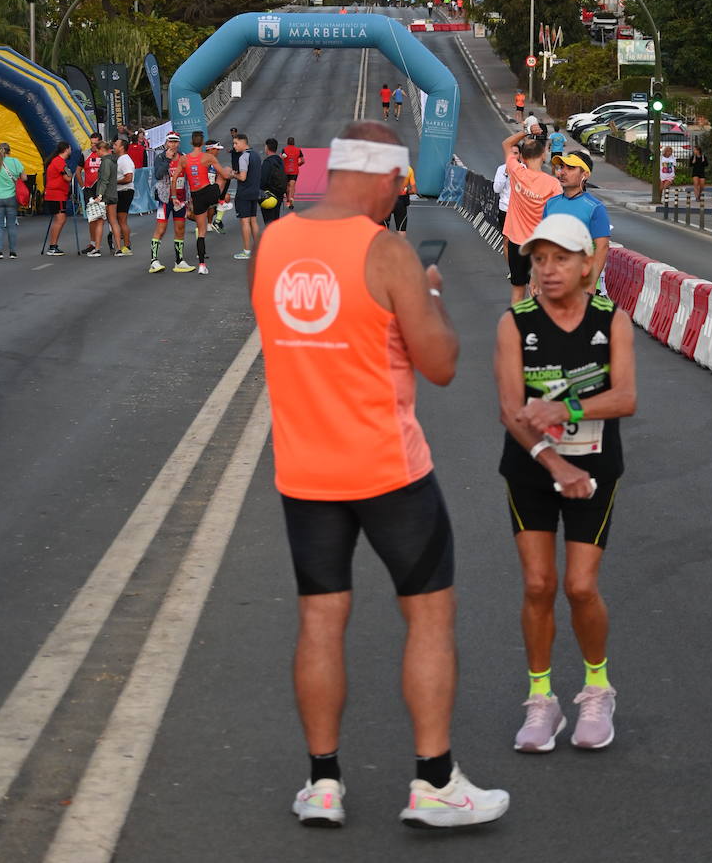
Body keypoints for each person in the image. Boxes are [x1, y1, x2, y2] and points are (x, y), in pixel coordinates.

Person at [248, 120, 509, 830]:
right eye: (400, 185)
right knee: (428, 614)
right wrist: (428, 295)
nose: (400, 197)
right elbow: (442, 364)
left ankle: (322, 784)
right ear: (385, 176)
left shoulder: (272, 244)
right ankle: (434, 782)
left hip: (305, 472)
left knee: (319, 620)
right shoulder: (386, 251)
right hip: (389, 469)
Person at [494, 213, 636, 754]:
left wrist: (565, 407)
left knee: (579, 586)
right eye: (539, 260)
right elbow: (511, 410)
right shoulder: (515, 323)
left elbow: (625, 397)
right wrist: (556, 464)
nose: (548, 270)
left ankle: (598, 689)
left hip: (595, 467)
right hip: (532, 466)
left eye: (560, 259)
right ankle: (541, 699)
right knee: (537, 584)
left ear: (585, 266)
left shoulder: (611, 320)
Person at [502, 131, 561, 305]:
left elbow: (506, 143)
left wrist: (526, 131)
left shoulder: (516, 171)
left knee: (517, 290)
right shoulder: (553, 184)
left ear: (523, 158)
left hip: (516, 243)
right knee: (537, 292)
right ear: (543, 156)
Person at [544, 152, 611, 293]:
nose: (563, 172)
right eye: (562, 167)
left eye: (571, 168)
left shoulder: (595, 207)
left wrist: (591, 283)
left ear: (584, 175)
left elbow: (602, 247)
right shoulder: (551, 204)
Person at [181, 131, 235, 274]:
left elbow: (179, 178)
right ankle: (220, 203)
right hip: (208, 193)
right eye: (217, 149)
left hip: (198, 195)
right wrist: (234, 175)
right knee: (227, 171)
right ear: (208, 147)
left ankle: (202, 265)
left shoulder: (187, 159)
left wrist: (177, 196)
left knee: (201, 231)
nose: (218, 151)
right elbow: (224, 175)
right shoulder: (208, 158)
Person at [149, 133, 194, 272]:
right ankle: (154, 261)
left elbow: (188, 177)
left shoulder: (183, 157)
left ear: (178, 143)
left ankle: (179, 261)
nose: (173, 145)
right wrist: (168, 160)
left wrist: (190, 197)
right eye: (170, 142)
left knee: (180, 229)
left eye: (175, 142)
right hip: (164, 198)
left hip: (180, 199)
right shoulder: (160, 157)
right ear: (166, 143)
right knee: (161, 229)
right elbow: (158, 175)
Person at [0, 142, 25, 259]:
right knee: (11, 225)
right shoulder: (15, 162)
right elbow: (24, 178)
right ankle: (12, 252)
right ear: (9, 151)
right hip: (11, 197)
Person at [229, 132, 262, 260]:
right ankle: (258, 250)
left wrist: (233, 174)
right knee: (253, 221)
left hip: (244, 193)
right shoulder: (256, 155)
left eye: (236, 143)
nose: (234, 146)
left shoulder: (243, 157)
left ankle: (246, 251)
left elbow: (242, 177)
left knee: (245, 222)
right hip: (254, 192)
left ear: (243, 142)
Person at [44, 140, 73, 256]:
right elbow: (68, 177)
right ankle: (52, 246)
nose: (71, 151)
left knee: (60, 219)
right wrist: (70, 174)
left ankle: (53, 245)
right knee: (60, 219)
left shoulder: (57, 161)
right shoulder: (59, 162)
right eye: (70, 148)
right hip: (57, 194)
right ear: (66, 149)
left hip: (57, 193)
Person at [92, 141, 121, 257]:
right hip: (113, 194)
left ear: (101, 150)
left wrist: (99, 195)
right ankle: (118, 248)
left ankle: (97, 249)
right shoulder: (114, 161)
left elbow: (104, 180)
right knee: (114, 221)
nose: (96, 153)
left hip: (105, 196)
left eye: (97, 151)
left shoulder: (105, 162)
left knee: (100, 222)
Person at [78, 132, 103, 253]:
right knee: (92, 218)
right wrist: (83, 186)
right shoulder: (85, 154)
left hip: (102, 189)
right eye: (91, 143)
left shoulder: (104, 153)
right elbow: (77, 171)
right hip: (89, 189)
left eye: (95, 143)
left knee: (104, 218)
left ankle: (115, 243)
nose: (93, 146)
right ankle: (93, 244)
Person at [112, 136, 135, 255]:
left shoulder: (124, 160)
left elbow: (128, 178)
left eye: (116, 145)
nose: (113, 146)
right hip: (121, 191)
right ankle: (121, 242)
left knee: (122, 221)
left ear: (122, 147)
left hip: (124, 191)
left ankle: (127, 246)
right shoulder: (120, 159)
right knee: (118, 220)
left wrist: (114, 182)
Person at [260, 139, 288, 226]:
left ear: (267, 147)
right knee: (276, 220)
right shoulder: (280, 161)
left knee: (269, 222)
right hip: (279, 194)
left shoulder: (267, 162)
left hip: (269, 196)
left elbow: (263, 180)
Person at [388, 162, 416, 234]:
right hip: (401, 201)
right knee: (401, 229)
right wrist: (405, 190)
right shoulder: (409, 169)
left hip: (387, 200)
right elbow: (414, 190)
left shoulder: (385, 168)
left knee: (383, 228)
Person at [281, 137, 305, 211]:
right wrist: (298, 164)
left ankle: (288, 200)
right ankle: (291, 198)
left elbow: (281, 159)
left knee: (287, 186)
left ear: (287, 142)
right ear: (294, 142)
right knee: (292, 185)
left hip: (286, 170)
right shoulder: (298, 150)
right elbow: (303, 161)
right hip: (294, 170)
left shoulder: (284, 150)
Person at [492, 160, 511, 238]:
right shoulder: (502, 169)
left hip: (519, 211)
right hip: (504, 209)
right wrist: (505, 174)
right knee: (506, 238)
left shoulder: (524, 168)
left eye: (516, 154)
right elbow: (496, 189)